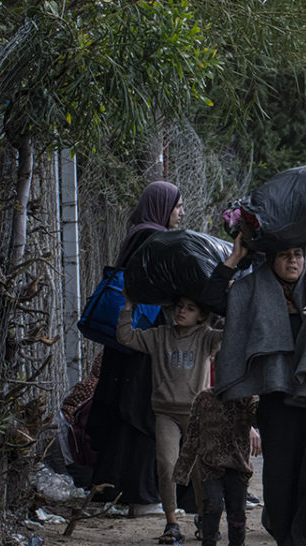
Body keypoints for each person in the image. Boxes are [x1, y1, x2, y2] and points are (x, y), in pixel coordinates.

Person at [204, 238, 306, 546]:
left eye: (297, 254)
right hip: (279, 400)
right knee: (280, 484)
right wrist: (235, 258)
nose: (292, 261)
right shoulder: (254, 291)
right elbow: (211, 300)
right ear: (270, 259)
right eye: (284, 255)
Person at [87, 180, 184, 516]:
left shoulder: (138, 233)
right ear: (162, 207)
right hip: (143, 342)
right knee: (143, 412)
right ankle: (141, 497)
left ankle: (112, 490)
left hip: (128, 338)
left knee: (125, 411)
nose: (181, 212)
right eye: (177, 206)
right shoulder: (152, 237)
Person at [116, 295, 223, 543]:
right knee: (166, 465)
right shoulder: (159, 335)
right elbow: (126, 337)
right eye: (179, 307)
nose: (182, 312)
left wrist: (227, 301)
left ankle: (205, 519)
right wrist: (129, 307)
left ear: (202, 315)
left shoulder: (206, 336)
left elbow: (230, 335)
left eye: (190, 308)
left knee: (199, 471)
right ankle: (172, 523)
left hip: (197, 414)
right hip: (165, 413)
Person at [174, 390, 260, 546]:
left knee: (237, 514)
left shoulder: (246, 398)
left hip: (238, 466)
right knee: (213, 506)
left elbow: (260, 417)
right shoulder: (204, 398)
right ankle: (209, 541)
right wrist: (183, 469)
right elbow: (192, 434)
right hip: (210, 465)